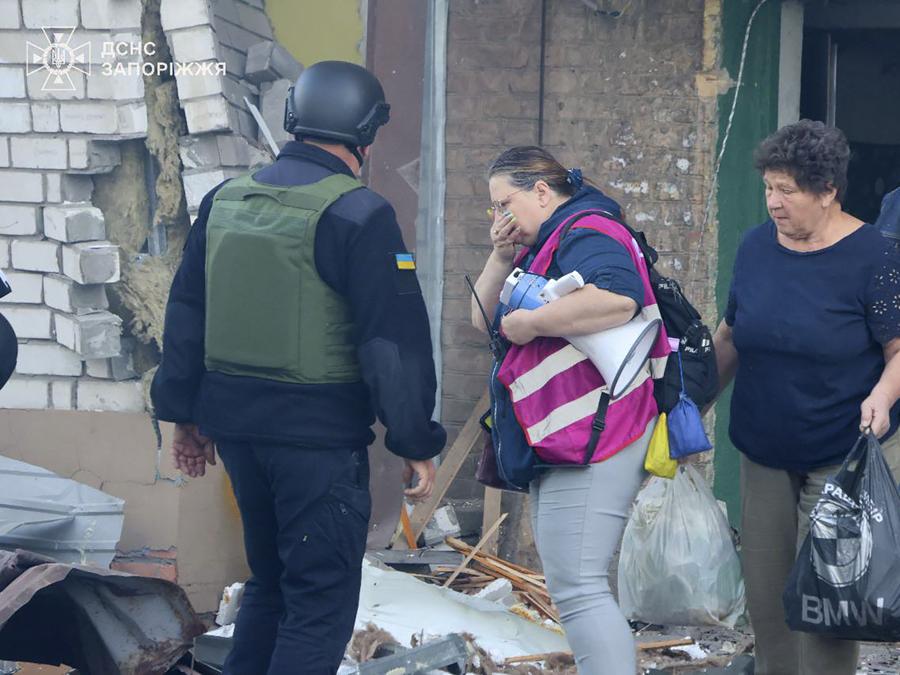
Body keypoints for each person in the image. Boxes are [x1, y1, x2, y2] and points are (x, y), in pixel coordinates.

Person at [151, 60, 446, 675]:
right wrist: (415, 437)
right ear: (366, 133)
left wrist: (185, 416)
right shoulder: (361, 214)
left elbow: (186, 314)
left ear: (295, 119)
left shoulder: (225, 200)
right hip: (315, 443)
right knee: (318, 602)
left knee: (273, 583)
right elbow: (391, 340)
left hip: (237, 434)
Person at [470, 146, 668, 675]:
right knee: (573, 584)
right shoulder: (545, 242)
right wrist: (498, 257)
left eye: (504, 204)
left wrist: (534, 323)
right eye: (492, 210)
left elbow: (619, 299)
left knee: (578, 588)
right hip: (567, 433)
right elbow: (482, 319)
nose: (500, 218)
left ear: (541, 191)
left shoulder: (588, 230)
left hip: (598, 432)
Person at [712, 119, 900, 675]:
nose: (773, 201)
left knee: (826, 601)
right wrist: (688, 407)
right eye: (769, 187)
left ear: (827, 191)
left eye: (787, 190)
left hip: (842, 453)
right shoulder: (754, 247)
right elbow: (730, 336)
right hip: (763, 447)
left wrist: (884, 397)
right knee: (768, 597)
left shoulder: (876, 256)